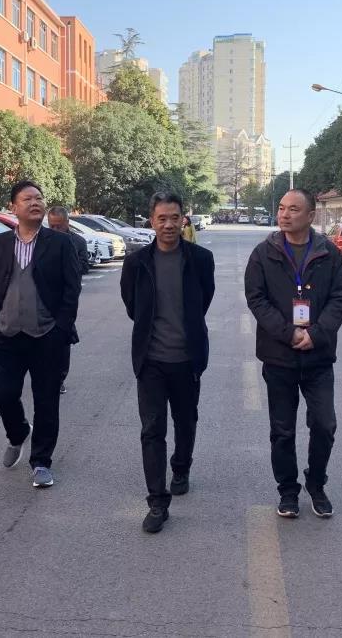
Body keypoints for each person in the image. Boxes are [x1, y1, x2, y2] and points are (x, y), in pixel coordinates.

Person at [244, 188, 342, 519]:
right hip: (279, 357)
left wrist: (316, 334)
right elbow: (256, 298)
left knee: (324, 425)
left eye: (293, 209)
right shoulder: (263, 253)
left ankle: (316, 484)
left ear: (310, 216)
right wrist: (287, 332)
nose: (284, 214)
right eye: (281, 208)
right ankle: (287, 491)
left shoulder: (329, 254)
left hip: (318, 358)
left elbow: (339, 298)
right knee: (282, 431)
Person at [120, 192, 215, 534]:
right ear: (152, 221)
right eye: (162, 218)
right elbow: (133, 306)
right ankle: (157, 502)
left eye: (175, 217)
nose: (169, 224)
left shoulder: (200, 259)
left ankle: (182, 466)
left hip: (187, 359)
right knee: (152, 429)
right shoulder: (137, 262)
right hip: (151, 361)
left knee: (186, 421)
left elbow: (203, 300)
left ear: (183, 219)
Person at [0, 181, 82, 488]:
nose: (35, 202)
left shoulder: (60, 243)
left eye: (38, 198)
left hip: (47, 336)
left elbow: (72, 289)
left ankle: (41, 462)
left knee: (47, 400)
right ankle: (18, 432)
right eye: (27, 199)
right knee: (3, 392)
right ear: (14, 207)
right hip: (6, 335)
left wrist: (60, 328)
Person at [46, 205, 86, 394]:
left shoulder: (78, 242)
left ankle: (60, 377)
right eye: (51, 226)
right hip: (46, 298)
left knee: (63, 339)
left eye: (59, 226)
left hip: (66, 298)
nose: (55, 230)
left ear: (67, 223)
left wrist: (68, 267)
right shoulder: (43, 240)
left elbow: (84, 266)